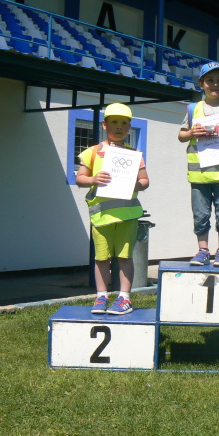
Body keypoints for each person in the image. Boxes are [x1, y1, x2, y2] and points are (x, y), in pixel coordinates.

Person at [76, 103, 150, 315]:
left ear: (129, 127)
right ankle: (101, 296)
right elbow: (80, 179)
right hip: (101, 216)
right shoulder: (92, 152)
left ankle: (124, 297)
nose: (119, 127)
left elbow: (145, 181)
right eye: (114, 122)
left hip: (127, 216)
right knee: (101, 258)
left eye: (124, 123)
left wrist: (135, 185)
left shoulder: (134, 155)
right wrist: (93, 179)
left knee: (125, 257)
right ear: (104, 124)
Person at [178, 62, 219, 267]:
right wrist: (192, 133)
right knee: (200, 214)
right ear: (201, 84)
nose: (215, 84)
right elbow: (181, 135)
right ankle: (203, 250)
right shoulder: (193, 109)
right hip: (199, 174)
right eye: (210, 80)